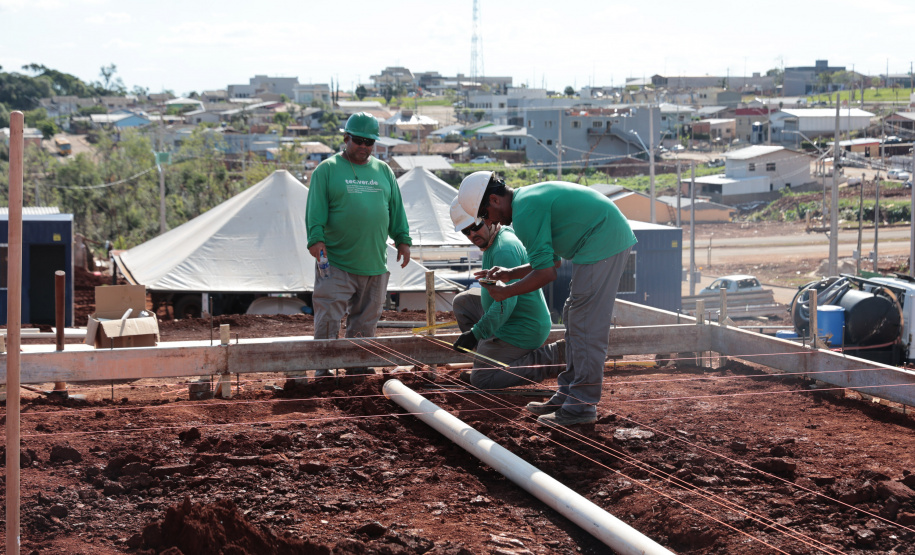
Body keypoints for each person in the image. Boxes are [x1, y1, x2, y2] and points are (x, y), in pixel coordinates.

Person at [457, 172, 636, 426]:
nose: (489, 220)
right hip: (598, 239)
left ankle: (581, 406)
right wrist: (511, 274)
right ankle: (568, 394)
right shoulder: (525, 203)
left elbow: (548, 273)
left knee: (586, 325)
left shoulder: (524, 213)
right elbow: (552, 260)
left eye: (484, 215)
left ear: (494, 200)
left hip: (603, 240)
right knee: (575, 316)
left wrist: (505, 291)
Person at [303, 112, 412, 382]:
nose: (363, 146)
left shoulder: (384, 171)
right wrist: (316, 240)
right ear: (345, 138)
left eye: (369, 141)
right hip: (336, 261)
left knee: (365, 321)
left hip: (374, 263)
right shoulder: (327, 170)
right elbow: (314, 211)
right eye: (358, 140)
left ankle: (357, 370)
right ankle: (325, 372)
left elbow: (396, 209)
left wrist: (403, 239)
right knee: (329, 318)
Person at [448, 199, 565, 389]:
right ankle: (489, 359)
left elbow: (506, 301)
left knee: (481, 380)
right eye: (465, 231)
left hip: (522, 328)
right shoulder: (495, 237)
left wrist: (476, 334)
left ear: (487, 219)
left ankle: (553, 356)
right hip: (511, 316)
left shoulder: (504, 249)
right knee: (463, 303)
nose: (472, 234)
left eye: (475, 227)